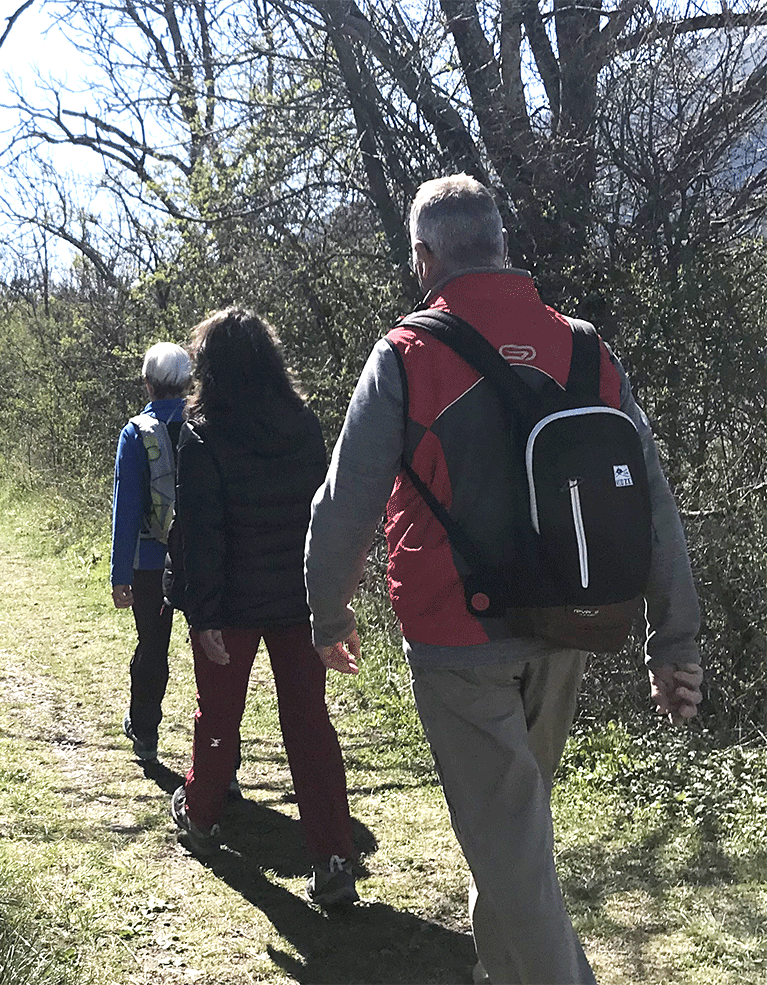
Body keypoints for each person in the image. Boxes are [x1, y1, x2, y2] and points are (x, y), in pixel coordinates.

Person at [304, 174, 705, 983]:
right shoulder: (586, 348)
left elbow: (346, 502)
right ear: (503, 245)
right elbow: (653, 501)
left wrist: (326, 612)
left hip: (458, 640)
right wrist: (676, 639)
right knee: (514, 830)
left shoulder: (407, 354)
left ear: (425, 258)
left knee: (511, 840)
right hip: (570, 623)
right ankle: (499, 967)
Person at [164, 307, 360, 908]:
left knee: (217, 714)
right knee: (309, 723)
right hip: (298, 600)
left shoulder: (202, 433)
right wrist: (332, 599)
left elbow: (202, 533)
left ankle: (201, 817)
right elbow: (326, 517)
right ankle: (332, 854)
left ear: (212, 367)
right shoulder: (304, 426)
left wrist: (203, 615)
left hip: (234, 603)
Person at [112, 341, 191, 762]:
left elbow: (125, 510)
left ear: (148, 384)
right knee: (213, 657)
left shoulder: (135, 434)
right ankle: (220, 760)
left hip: (149, 561)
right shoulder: (207, 425)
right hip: (201, 560)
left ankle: (145, 735)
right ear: (187, 384)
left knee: (152, 645)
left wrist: (119, 575)